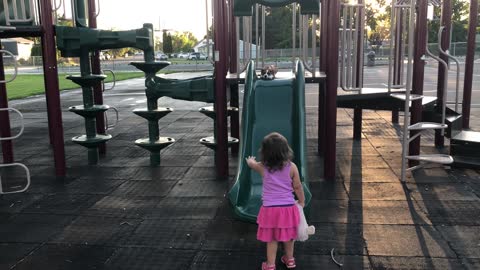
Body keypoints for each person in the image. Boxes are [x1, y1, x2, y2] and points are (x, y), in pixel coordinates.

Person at [246, 132, 306, 270]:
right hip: (288, 208)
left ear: (265, 153)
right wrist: (301, 201)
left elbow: (253, 165)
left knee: (272, 238)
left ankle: (270, 265)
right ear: (286, 150)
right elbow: (297, 186)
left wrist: (250, 162)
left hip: (270, 210)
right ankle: (290, 260)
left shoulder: (263, 167)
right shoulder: (292, 167)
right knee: (289, 236)